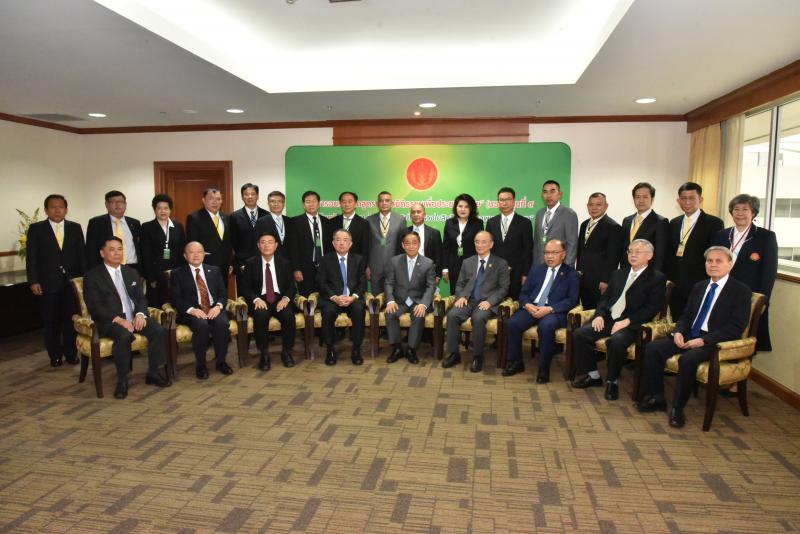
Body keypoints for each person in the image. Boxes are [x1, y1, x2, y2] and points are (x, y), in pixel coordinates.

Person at [637, 246, 751, 428]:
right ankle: (657, 397)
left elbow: (735, 328)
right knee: (653, 348)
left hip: (714, 341)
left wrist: (704, 340)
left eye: (719, 261)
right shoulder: (699, 286)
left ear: (730, 265)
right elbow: (686, 316)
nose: (713, 264)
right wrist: (678, 332)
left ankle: (677, 409)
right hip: (689, 334)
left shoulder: (740, 291)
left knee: (688, 359)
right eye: (709, 261)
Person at [571, 239, 666, 400]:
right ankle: (593, 375)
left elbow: (651, 308)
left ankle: (612, 381)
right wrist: (599, 315)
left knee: (617, 341)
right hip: (609, 318)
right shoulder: (618, 273)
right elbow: (605, 299)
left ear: (649, 255)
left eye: (638, 252)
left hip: (632, 323)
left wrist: (627, 321)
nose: (633, 255)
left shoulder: (656, 278)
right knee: (580, 334)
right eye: (630, 251)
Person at [83, 237, 170, 399]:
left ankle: (153, 373)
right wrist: (118, 319)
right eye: (112, 250)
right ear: (102, 253)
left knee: (158, 330)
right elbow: (95, 306)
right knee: (124, 335)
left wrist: (140, 314)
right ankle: (122, 380)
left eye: (120, 249)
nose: (117, 253)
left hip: (134, 316)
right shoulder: (93, 276)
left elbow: (141, 298)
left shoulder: (131, 272)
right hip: (110, 320)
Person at [502, 239, 579, 382]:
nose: (550, 256)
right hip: (532, 307)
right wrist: (527, 305)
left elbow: (572, 300)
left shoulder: (571, 274)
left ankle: (544, 369)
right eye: (547, 253)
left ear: (563, 254)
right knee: (513, 323)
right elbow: (524, 293)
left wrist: (550, 309)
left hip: (553, 311)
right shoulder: (537, 270)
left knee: (546, 326)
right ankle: (516, 362)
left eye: (554, 253)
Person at [26, 194, 85, 367]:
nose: (57, 210)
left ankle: (71, 353)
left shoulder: (75, 227)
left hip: (71, 284)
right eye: (53, 207)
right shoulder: (36, 229)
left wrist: (84, 280)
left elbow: (82, 255)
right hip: (47, 283)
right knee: (50, 321)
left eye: (61, 207)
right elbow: (31, 258)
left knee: (71, 320)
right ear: (46, 210)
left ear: (66, 210)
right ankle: (55, 355)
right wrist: (34, 281)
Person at [712, 194, 777, 351]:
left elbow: (769, 273)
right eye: (736, 209)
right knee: (719, 337)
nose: (740, 213)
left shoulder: (765, 237)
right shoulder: (721, 235)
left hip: (749, 296)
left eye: (745, 209)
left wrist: (763, 301)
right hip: (721, 294)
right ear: (731, 212)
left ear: (753, 212)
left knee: (746, 339)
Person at [442, 231, 510, 373]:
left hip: (487, 302)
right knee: (452, 315)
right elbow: (460, 284)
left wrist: (490, 302)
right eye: (477, 242)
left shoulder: (501, 263)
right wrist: (461, 296)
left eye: (484, 242)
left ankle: (477, 357)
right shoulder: (468, 262)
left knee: (478, 318)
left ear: (491, 244)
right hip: (468, 300)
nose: (479, 245)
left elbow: (504, 288)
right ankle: (454, 354)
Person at [170, 241, 233, 380]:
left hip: (213, 308)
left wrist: (218, 306)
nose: (196, 255)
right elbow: (176, 298)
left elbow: (223, 294)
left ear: (204, 254)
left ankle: (221, 362)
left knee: (222, 323)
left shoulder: (214, 270)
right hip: (193, 312)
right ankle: (201, 365)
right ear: (185, 256)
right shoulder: (178, 273)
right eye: (191, 252)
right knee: (201, 325)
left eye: (199, 252)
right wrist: (192, 310)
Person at [665, 182, 723, 320]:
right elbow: (669, 253)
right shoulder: (674, 223)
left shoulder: (714, 223)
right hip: (676, 286)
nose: (687, 202)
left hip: (700, 284)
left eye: (691, 198)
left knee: (697, 324)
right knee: (677, 323)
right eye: (683, 198)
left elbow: (714, 255)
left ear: (700, 199)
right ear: (678, 200)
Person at [240, 231, 297, 371]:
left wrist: (285, 299)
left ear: (276, 245)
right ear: (258, 245)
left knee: (289, 316)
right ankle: (264, 354)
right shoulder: (251, 263)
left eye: (270, 242)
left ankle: (287, 352)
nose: (266, 245)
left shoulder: (284, 263)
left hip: (279, 298)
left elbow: (291, 287)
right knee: (260, 316)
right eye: (263, 242)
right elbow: (245, 288)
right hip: (260, 299)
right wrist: (256, 299)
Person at [316, 230, 367, 366]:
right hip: (333, 299)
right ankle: (330, 349)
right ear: (333, 243)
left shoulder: (358, 259)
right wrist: (334, 297)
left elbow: (362, 282)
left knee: (359, 309)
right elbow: (321, 282)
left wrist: (353, 297)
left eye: (345, 240)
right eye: (338, 240)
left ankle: (356, 349)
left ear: (350, 243)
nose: (342, 243)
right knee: (328, 312)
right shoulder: (325, 260)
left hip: (352, 298)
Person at [384, 231, 437, 364]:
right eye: (407, 243)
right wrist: (390, 301)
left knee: (419, 315)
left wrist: (423, 304)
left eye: (414, 243)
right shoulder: (395, 261)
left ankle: (411, 349)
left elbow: (431, 286)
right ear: (403, 245)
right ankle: (397, 348)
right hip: (400, 301)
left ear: (419, 244)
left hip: (418, 302)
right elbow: (389, 283)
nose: (411, 246)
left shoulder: (428, 263)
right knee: (390, 314)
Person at [576, 192, 623, 309]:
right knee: (585, 310)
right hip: (583, 278)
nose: (594, 208)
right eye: (591, 204)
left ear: (606, 206)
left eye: (598, 204)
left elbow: (613, 257)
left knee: (598, 312)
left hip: (599, 282)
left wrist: (606, 280)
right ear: (587, 206)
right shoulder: (584, 224)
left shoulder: (613, 227)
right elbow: (581, 251)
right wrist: (578, 272)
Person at [486, 187, 533, 300]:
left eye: (508, 199)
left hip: (517, 272)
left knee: (514, 303)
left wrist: (525, 273)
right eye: (501, 200)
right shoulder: (491, 222)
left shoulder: (525, 223)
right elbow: (487, 249)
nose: (504, 203)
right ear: (498, 202)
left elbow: (528, 250)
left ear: (513, 201)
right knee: (495, 303)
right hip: (495, 272)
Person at [140, 194, 186, 308]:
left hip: (175, 272)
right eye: (159, 208)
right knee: (157, 305)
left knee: (176, 303)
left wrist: (183, 273)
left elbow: (182, 251)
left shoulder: (178, 226)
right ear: (154, 209)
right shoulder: (146, 227)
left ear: (170, 210)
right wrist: (151, 277)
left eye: (166, 208)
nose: (163, 211)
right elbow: (145, 253)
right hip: (156, 274)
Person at [186, 188, 233, 290]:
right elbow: (192, 244)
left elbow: (229, 243)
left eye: (218, 199)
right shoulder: (194, 218)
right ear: (203, 200)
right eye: (211, 199)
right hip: (205, 266)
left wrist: (231, 262)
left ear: (221, 201)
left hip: (224, 267)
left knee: (222, 295)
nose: (215, 202)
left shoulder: (227, 217)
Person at [290, 190, 334, 296]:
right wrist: (296, 269)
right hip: (305, 269)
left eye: (313, 201)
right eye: (308, 202)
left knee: (325, 298)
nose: (311, 204)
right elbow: (293, 248)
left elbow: (331, 247)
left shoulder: (327, 222)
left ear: (319, 204)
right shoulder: (295, 222)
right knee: (307, 300)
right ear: (303, 205)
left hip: (325, 267)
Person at [85, 190, 142, 272]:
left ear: (125, 204)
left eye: (120, 201)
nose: (117, 204)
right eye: (113, 202)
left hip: (133, 268)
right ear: (106, 205)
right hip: (108, 269)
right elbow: (91, 250)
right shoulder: (96, 223)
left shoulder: (135, 223)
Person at [620, 182, 669, 272]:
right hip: (626, 270)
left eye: (645, 197)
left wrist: (655, 275)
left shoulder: (660, 222)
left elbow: (660, 255)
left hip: (647, 272)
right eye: (638, 197)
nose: (641, 200)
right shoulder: (627, 220)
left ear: (652, 199)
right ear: (633, 199)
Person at [442, 193, 484, 294]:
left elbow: (481, 247)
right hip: (453, 266)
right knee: (455, 294)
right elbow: (445, 248)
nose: (463, 209)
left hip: (472, 266)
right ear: (455, 208)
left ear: (471, 208)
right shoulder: (449, 223)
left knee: (472, 295)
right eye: (460, 206)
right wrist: (445, 268)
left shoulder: (478, 223)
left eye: (466, 206)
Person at [365, 191, 406, 294]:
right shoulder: (369, 220)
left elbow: (403, 245)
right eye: (381, 201)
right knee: (376, 298)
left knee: (393, 297)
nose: (384, 203)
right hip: (375, 267)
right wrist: (367, 266)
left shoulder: (401, 220)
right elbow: (366, 245)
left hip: (394, 266)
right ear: (377, 204)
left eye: (387, 200)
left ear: (392, 203)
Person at [532, 180, 579, 269]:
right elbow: (537, 243)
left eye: (552, 191)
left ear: (560, 194)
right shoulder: (539, 213)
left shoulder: (569, 214)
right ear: (542, 195)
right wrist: (535, 266)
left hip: (560, 266)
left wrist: (567, 268)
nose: (548, 195)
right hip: (540, 266)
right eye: (545, 192)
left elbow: (572, 244)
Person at [230, 183, 269, 286]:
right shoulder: (234, 217)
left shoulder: (267, 215)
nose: (250, 197)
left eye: (253, 194)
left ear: (257, 196)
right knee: (244, 295)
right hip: (243, 266)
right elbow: (232, 243)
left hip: (264, 264)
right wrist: (239, 265)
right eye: (246, 194)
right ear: (242, 197)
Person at [253, 190, 291, 259]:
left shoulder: (290, 221)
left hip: (288, 261)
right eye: (272, 201)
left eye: (279, 201)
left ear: (284, 204)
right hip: (270, 260)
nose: (276, 204)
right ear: (268, 204)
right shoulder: (261, 222)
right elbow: (257, 244)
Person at [331, 191, 370, 257]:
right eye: (344, 202)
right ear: (340, 204)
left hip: (356, 261)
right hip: (335, 261)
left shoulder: (364, 223)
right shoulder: (332, 222)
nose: (347, 204)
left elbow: (365, 248)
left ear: (355, 204)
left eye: (350, 201)